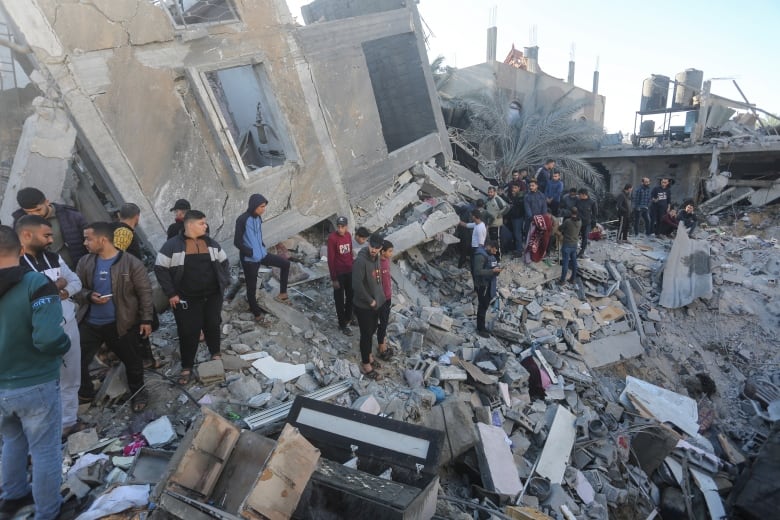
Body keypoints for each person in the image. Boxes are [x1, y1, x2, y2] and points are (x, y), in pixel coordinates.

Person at [0, 225, 70, 520]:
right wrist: (64, 344)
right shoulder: (35, 283)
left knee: (12, 441)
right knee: (45, 452)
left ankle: (12, 497)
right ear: (19, 249)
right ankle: (48, 512)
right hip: (35, 383)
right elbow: (48, 338)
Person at [16, 216, 84, 438]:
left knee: (71, 377)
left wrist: (62, 290)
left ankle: (68, 422)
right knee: (44, 381)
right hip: (37, 332)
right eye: (46, 235)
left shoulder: (54, 258)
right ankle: (43, 427)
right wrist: (54, 286)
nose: (51, 239)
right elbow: (23, 297)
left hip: (67, 324)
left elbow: (75, 282)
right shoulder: (14, 264)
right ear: (27, 235)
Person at [75, 222, 152, 412]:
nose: (85, 243)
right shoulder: (85, 262)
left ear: (103, 239)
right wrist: (88, 295)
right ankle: (85, 392)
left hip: (121, 323)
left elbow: (145, 292)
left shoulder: (131, 263)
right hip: (90, 323)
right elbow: (76, 289)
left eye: (88, 238)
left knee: (133, 362)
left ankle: (138, 393)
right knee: (76, 360)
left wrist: (146, 320)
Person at [156, 210, 230, 385]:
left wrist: (224, 282)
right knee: (189, 331)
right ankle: (187, 366)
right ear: (189, 225)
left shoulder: (211, 243)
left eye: (205, 223)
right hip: (186, 299)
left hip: (212, 295)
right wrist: (171, 293)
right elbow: (160, 268)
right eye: (201, 223)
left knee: (212, 324)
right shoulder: (172, 245)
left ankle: (216, 354)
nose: (205, 226)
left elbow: (225, 262)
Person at [112, 203, 160, 369]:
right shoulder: (124, 231)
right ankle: (145, 359)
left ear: (119, 214)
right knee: (141, 320)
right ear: (137, 217)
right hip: (129, 285)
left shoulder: (118, 229)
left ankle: (146, 358)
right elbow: (116, 258)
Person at [234, 194, 292, 321]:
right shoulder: (242, 220)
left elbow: (257, 236)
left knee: (285, 264)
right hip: (249, 260)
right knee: (251, 287)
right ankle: (257, 315)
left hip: (262, 254)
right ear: (254, 206)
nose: (263, 209)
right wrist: (251, 253)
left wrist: (261, 247)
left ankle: (282, 294)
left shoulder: (258, 218)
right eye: (261, 206)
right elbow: (237, 242)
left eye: (264, 206)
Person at [12, 187, 88, 269]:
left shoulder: (70, 215)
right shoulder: (20, 226)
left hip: (80, 266)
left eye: (38, 210)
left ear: (46, 202)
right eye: (29, 212)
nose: (35, 214)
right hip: (48, 273)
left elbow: (89, 239)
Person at [352, 234, 386, 380]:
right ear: (368, 244)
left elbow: (377, 279)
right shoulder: (361, 261)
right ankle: (366, 364)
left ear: (381, 248)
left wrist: (379, 297)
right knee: (366, 335)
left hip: (376, 302)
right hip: (364, 305)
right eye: (372, 246)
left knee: (372, 330)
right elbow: (357, 285)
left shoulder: (377, 257)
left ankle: (370, 356)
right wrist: (369, 300)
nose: (374, 250)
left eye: (377, 248)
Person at [327, 216, 354, 336]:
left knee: (351, 296)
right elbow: (331, 259)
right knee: (339, 299)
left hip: (349, 271)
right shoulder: (332, 238)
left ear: (346, 227)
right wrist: (334, 278)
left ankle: (348, 318)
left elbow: (350, 253)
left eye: (342, 226)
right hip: (339, 273)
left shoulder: (348, 235)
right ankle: (342, 324)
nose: (340, 229)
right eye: (338, 226)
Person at [472, 239, 501, 337]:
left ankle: (483, 326)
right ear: (489, 246)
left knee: (485, 306)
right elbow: (477, 271)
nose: (495, 252)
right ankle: (480, 329)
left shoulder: (490, 255)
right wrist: (492, 271)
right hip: (483, 285)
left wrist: (497, 271)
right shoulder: (480, 255)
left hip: (490, 285)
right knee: (482, 306)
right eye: (494, 250)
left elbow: (492, 267)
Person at [376, 240, 395, 360]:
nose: (391, 253)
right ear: (382, 252)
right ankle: (381, 347)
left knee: (385, 321)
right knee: (382, 322)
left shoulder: (387, 261)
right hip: (382, 298)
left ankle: (382, 340)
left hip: (388, 296)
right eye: (390, 251)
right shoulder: (377, 264)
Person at [484, 186, 510, 260]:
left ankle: (499, 256)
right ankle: (494, 255)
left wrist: (500, 214)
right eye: (489, 192)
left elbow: (507, 207)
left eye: (491, 192)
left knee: (497, 241)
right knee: (492, 241)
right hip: (490, 224)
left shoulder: (497, 199)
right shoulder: (488, 200)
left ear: (494, 192)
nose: (489, 193)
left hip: (496, 224)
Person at [559, 208, 582, 284]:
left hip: (567, 244)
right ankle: (573, 279)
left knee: (565, 263)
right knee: (574, 262)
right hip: (574, 244)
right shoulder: (579, 222)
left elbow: (560, 228)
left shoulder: (568, 221)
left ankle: (562, 280)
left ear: (570, 213)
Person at [575, 189, 598, 258]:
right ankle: (574, 249)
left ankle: (582, 251)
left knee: (585, 237)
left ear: (584, 195)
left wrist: (594, 225)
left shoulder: (592, 202)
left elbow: (594, 215)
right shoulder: (578, 201)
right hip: (578, 222)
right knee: (575, 236)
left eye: (580, 195)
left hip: (587, 223)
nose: (579, 196)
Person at [506, 183, 526, 255]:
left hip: (518, 218)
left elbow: (518, 208)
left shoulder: (520, 197)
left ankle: (519, 250)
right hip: (514, 217)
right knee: (515, 233)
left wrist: (515, 198)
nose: (513, 189)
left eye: (515, 188)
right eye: (513, 188)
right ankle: (516, 248)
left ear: (519, 188)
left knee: (517, 234)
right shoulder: (515, 196)